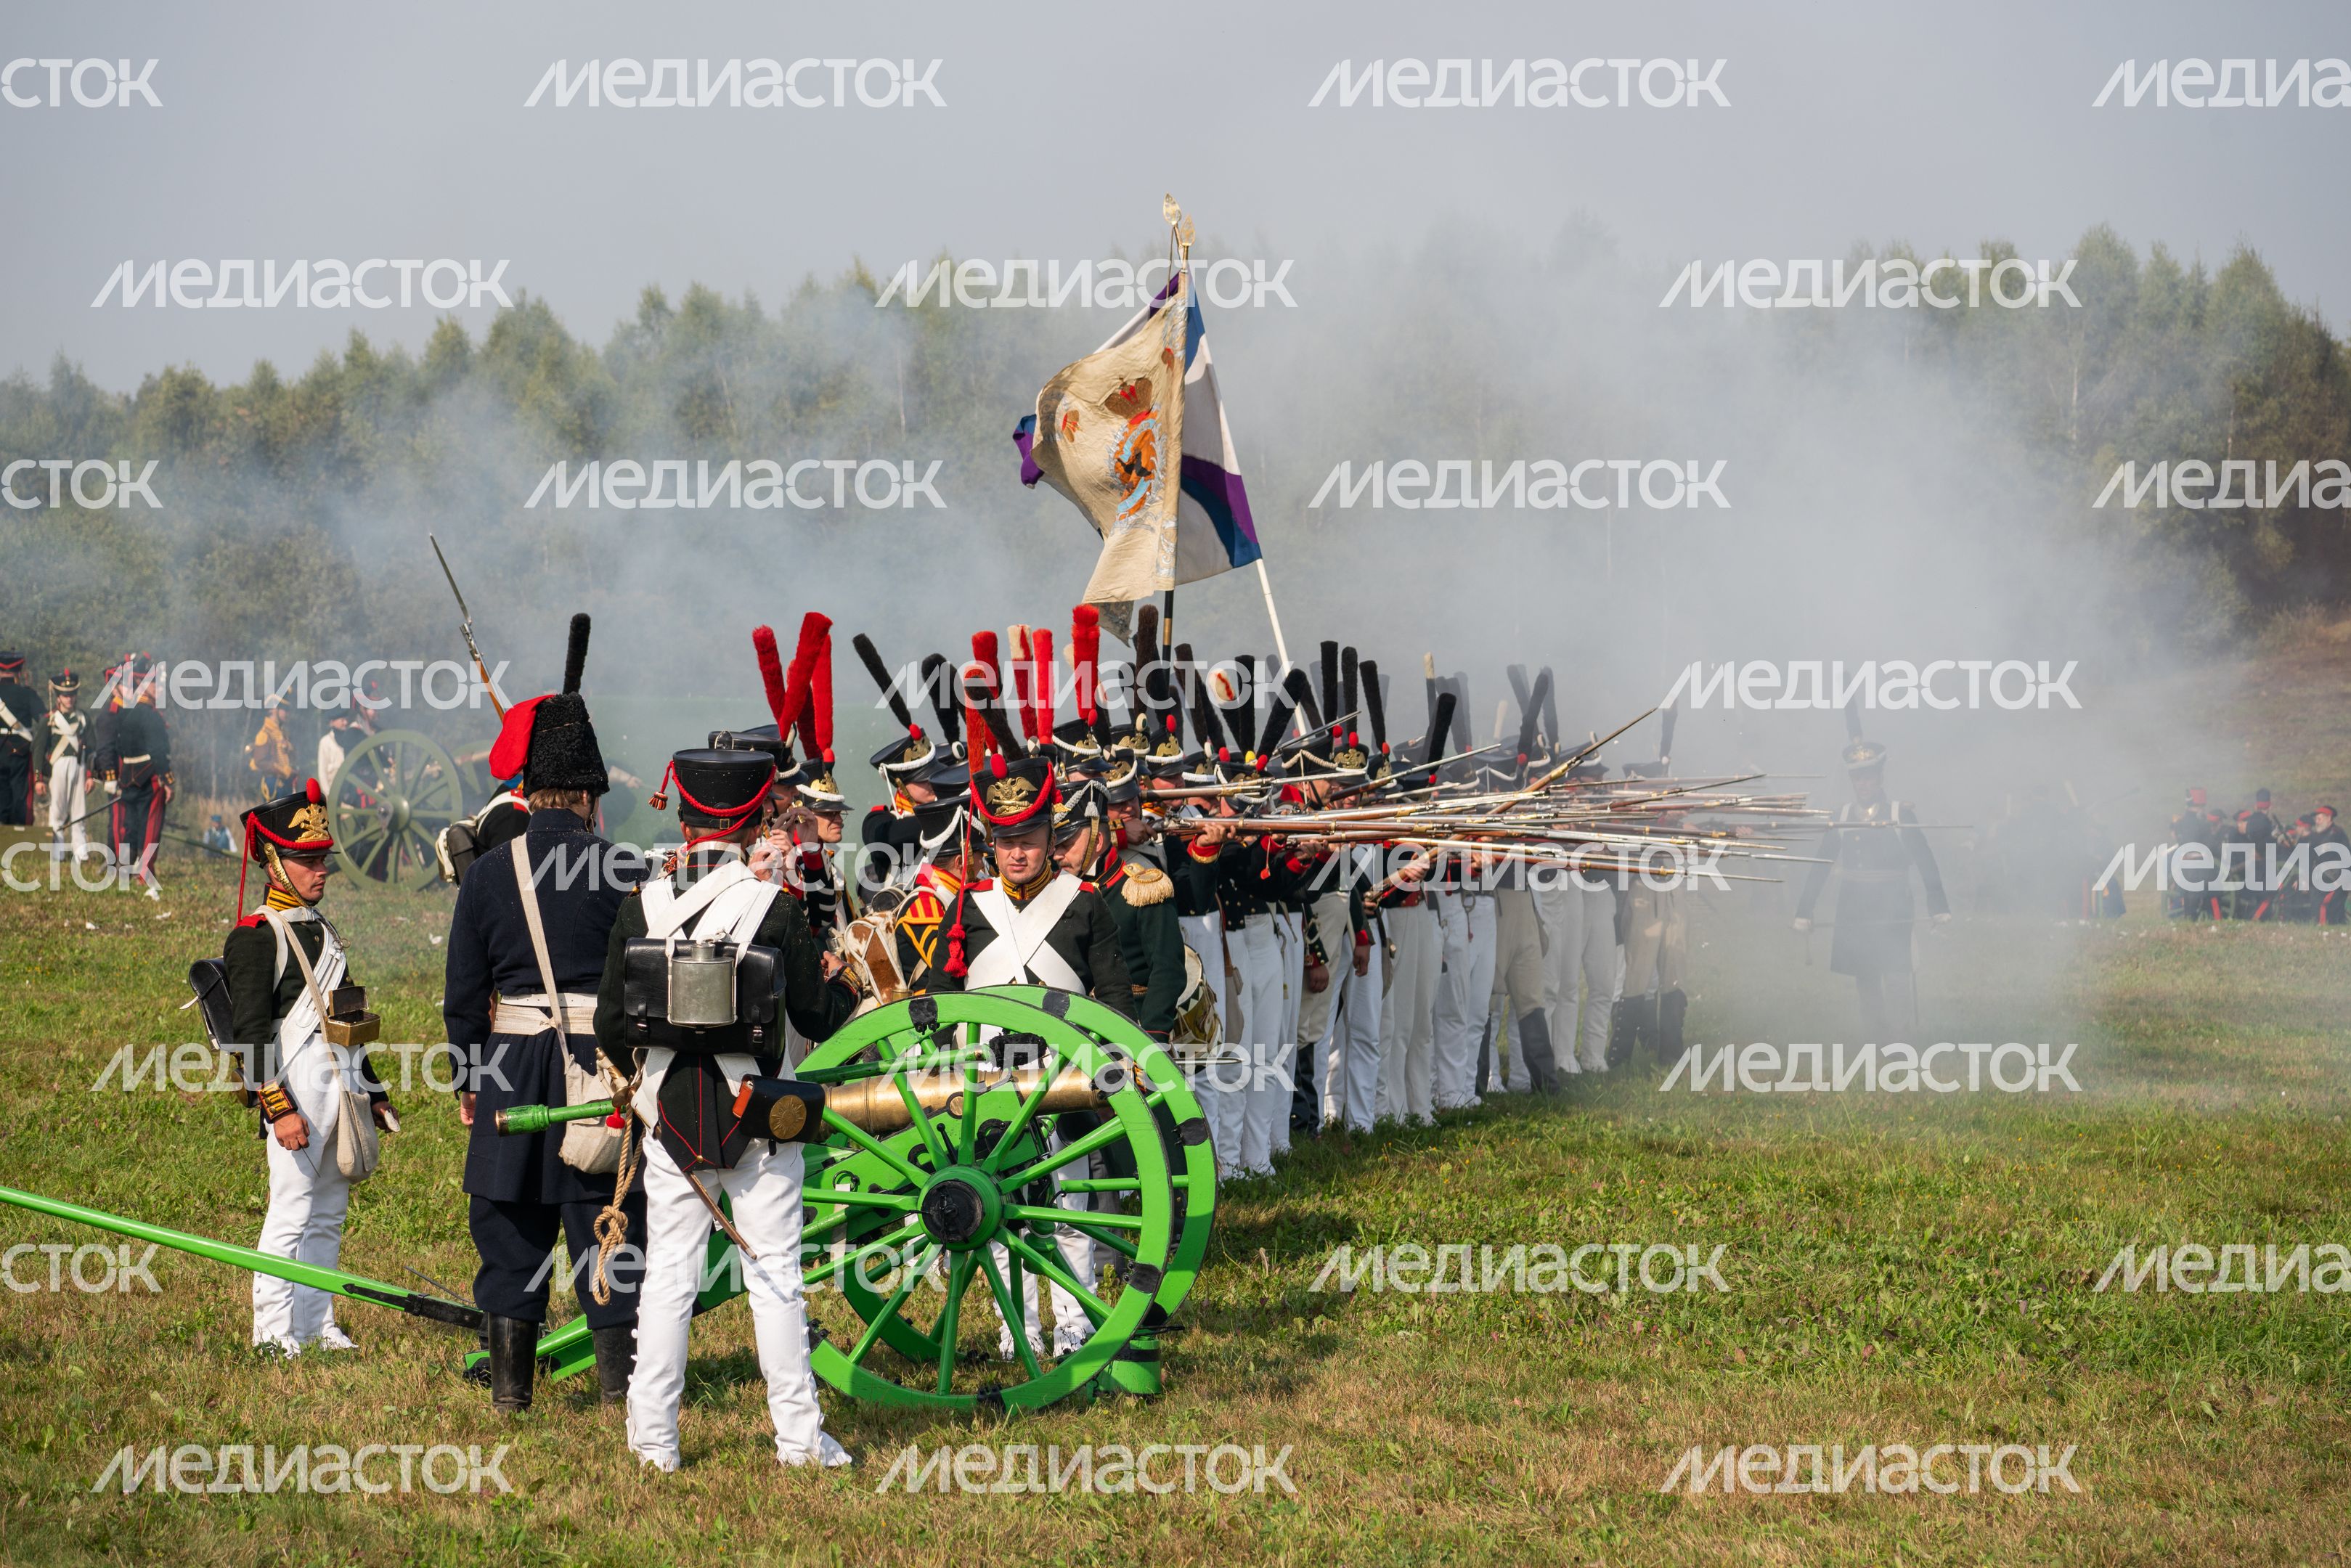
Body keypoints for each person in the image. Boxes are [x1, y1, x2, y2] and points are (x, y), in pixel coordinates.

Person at [593, 746, 861, 1472]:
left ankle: (653, 1443)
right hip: (761, 1121)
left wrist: (655, 1083)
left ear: (685, 822)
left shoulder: (639, 906)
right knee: (775, 1279)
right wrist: (846, 983)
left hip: (670, 1123)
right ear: (751, 823)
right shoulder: (777, 908)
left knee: (668, 1280)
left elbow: (611, 1027)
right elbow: (816, 1013)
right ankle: (799, 1442)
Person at [443, 614, 648, 1412]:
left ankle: (510, 1397)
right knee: (608, 1224)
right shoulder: (626, 868)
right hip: (604, 1067)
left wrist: (469, 1078)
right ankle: (619, 1393)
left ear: (528, 794)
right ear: (591, 796)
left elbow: (465, 997)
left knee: (508, 1230)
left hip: (510, 1066)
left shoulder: (488, 874)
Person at [222, 779, 397, 1355]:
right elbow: (249, 1037)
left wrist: (373, 1092)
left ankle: (315, 1321)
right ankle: (273, 1331)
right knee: (291, 1211)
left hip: (337, 1088)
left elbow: (347, 1019)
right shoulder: (255, 936)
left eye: (323, 861)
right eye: (308, 861)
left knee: (328, 1214)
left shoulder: (324, 930)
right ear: (274, 862)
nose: (321, 872)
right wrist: (278, 1109)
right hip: (293, 1090)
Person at [1792, 731, 1949, 1041]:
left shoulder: (1900, 814)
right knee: (1865, 973)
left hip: (1893, 902)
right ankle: (1875, 1035)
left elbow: (1925, 860)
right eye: (1857, 778)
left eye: (1868, 777)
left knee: (1896, 971)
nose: (1863, 784)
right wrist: (1804, 909)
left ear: (1879, 777)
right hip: (1855, 904)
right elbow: (1822, 864)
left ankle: (1900, 1036)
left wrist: (1938, 904)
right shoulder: (1842, 816)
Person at [97, 655, 171, 897]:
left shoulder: (129, 712)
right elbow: (107, 749)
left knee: (132, 825)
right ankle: (133, 869)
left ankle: (128, 868)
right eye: (155, 684)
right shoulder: (127, 714)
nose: (160, 689)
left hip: (131, 776)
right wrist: (166, 779)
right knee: (137, 825)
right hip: (137, 776)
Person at [35, 669, 92, 859]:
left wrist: (91, 776)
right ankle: (57, 853)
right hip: (58, 767)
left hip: (79, 766)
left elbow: (92, 749)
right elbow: (39, 750)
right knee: (58, 811)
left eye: (72, 695)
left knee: (79, 811)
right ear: (58, 696)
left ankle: (81, 853)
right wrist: (38, 779)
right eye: (66, 695)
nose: (69, 699)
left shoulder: (83, 718)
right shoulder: (49, 720)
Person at [0, 651, 35, 825]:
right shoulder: (27, 694)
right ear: (19, 672)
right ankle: (18, 834)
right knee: (20, 797)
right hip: (20, 751)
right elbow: (45, 719)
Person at [245, 698, 296, 800]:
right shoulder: (264, 734)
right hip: (273, 784)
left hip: (286, 783)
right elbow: (260, 761)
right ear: (274, 710)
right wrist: (282, 771)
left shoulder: (283, 733)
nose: (287, 713)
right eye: (284, 709)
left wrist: (289, 748)